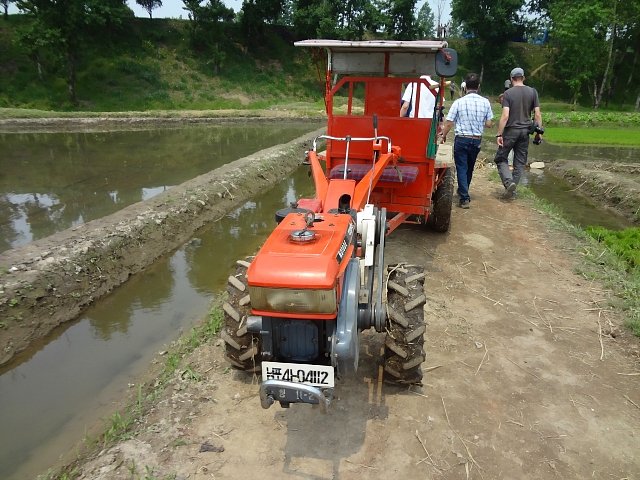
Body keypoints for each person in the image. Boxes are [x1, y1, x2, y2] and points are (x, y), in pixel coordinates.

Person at [439, 72, 493, 209]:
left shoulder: (459, 102)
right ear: (478, 86)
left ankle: (464, 197)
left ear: (465, 87)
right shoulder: (485, 102)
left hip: (462, 139)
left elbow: (450, 122)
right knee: (469, 167)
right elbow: (489, 124)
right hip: (476, 140)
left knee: (461, 167)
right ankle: (464, 191)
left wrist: (443, 135)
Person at [494, 67, 543, 197]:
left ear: (511, 79)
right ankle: (512, 191)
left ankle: (509, 182)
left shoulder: (508, 94)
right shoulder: (533, 92)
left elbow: (505, 115)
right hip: (525, 132)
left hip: (511, 131)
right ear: (523, 78)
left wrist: (499, 133)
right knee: (519, 162)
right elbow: (537, 114)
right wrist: (539, 133)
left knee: (500, 158)